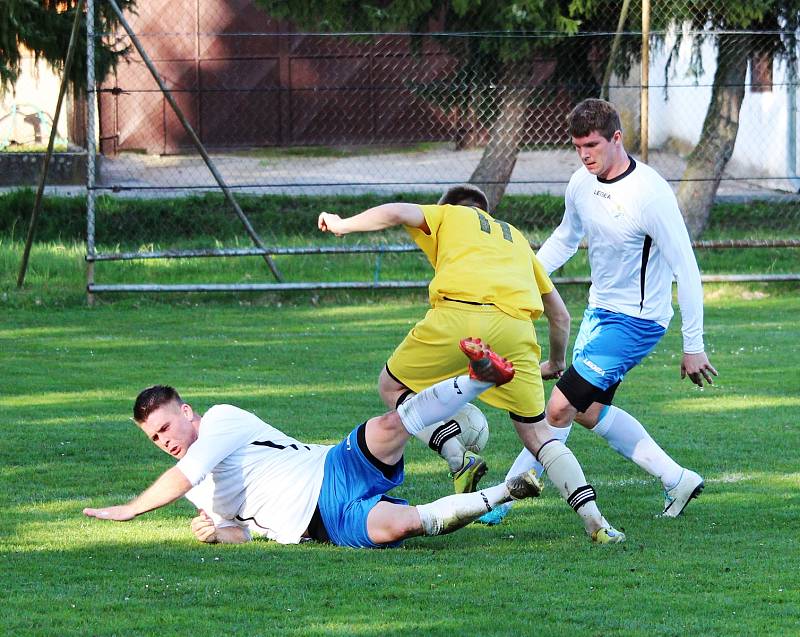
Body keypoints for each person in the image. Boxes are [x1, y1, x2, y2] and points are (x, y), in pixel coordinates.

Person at [318, 186, 625, 544]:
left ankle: (456, 456)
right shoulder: (516, 238)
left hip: (457, 318)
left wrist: (344, 224)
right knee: (538, 434)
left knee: (392, 387)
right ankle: (597, 523)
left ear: (446, 207)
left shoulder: (447, 215)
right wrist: (556, 361)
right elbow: (560, 315)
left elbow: (398, 211)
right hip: (515, 329)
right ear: (488, 211)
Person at [479, 97, 718, 526]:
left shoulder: (650, 194)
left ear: (616, 139)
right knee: (581, 411)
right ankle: (677, 478)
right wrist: (523, 278)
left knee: (556, 409)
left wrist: (693, 345)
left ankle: (501, 501)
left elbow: (688, 269)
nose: (585, 154)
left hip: (637, 322)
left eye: (592, 144)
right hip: (598, 313)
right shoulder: (580, 183)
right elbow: (566, 238)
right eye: (577, 147)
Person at [82, 339, 544, 548]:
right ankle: (509, 490)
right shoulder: (198, 491)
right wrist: (215, 535)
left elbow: (184, 475)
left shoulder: (219, 421)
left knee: (386, 426)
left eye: (166, 428)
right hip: (323, 524)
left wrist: (131, 509)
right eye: (154, 438)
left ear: (186, 412)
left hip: (330, 470)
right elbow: (243, 530)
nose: (164, 441)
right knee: (404, 526)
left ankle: (479, 378)